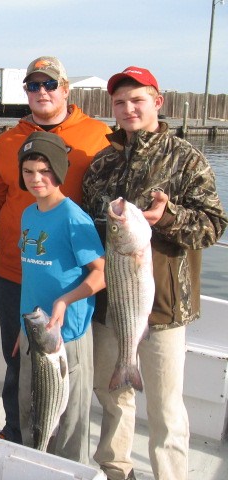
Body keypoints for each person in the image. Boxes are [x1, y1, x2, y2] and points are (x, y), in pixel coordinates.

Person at [0, 56, 111, 443]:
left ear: (66, 89)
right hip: (12, 271)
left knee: (62, 369)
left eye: (49, 84)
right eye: (33, 85)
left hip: (64, 278)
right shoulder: (7, 140)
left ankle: (61, 448)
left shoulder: (98, 136)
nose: (41, 92)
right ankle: (19, 431)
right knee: (17, 359)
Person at [82, 66, 227, 480]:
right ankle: (115, 470)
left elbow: (213, 226)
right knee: (113, 395)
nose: (128, 109)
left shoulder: (186, 159)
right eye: (120, 102)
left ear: (157, 102)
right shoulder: (102, 164)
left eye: (138, 100)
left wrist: (168, 217)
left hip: (165, 306)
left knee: (165, 405)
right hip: (112, 301)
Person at [16, 131, 105, 463]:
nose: (37, 179)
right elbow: (33, 275)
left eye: (44, 170)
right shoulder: (28, 214)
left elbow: (101, 272)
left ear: (59, 171)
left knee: (69, 425)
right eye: (28, 172)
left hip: (67, 337)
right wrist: (20, 330)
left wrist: (65, 301)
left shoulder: (73, 217)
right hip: (33, 334)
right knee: (31, 415)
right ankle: (34, 468)